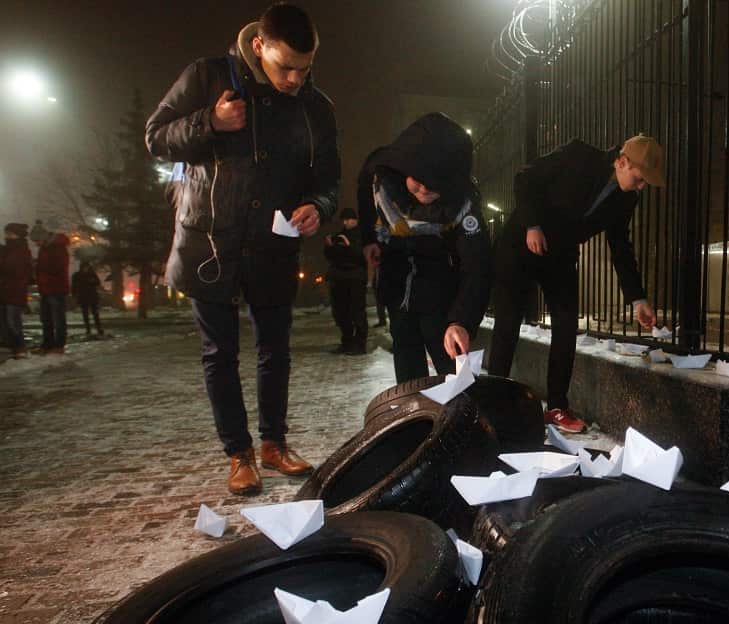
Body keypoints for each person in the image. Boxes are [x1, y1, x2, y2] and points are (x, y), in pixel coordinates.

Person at [146, 2, 340, 495]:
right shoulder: (208, 77)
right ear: (259, 46)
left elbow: (328, 178)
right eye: (285, 67)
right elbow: (155, 137)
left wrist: (318, 205)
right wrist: (209, 122)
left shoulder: (317, 108)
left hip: (273, 244)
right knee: (220, 352)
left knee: (276, 349)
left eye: (305, 68)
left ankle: (274, 444)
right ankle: (239, 453)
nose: (296, 78)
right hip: (209, 241)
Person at [487, 136, 664, 433]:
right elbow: (524, 178)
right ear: (622, 162)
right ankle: (492, 401)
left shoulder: (626, 197)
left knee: (567, 325)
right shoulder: (578, 155)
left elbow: (620, 246)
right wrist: (532, 224)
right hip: (522, 244)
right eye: (639, 178)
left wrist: (638, 299)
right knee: (508, 321)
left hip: (561, 256)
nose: (641, 187)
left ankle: (557, 406)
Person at [357, 112, 492, 383]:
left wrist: (461, 322)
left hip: (440, 294)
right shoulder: (382, 182)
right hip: (396, 286)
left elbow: (478, 266)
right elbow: (363, 193)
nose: (423, 191)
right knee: (408, 373)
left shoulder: (464, 209)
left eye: (434, 187)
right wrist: (368, 239)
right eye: (417, 181)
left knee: (456, 378)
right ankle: (413, 421)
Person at [323, 208, 367, 354]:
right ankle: (347, 342)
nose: (346, 222)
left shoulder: (362, 236)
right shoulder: (339, 236)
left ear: (356, 220)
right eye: (344, 219)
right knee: (341, 312)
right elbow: (330, 256)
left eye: (349, 219)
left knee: (357, 311)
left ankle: (360, 344)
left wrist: (349, 246)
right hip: (338, 278)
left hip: (355, 278)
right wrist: (329, 246)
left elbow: (360, 256)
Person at [0, 223, 32, 359]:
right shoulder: (9, 249)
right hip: (6, 290)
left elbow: (11, 267)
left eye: (9, 233)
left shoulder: (20, 249)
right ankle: (10, 345)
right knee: (5, 320)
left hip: (14, 290)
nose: (7, 236)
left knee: (12, 321)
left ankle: (19, 346)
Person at [36, 230, 71, 354]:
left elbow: (57, 267)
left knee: (58, 318)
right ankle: (48, 344)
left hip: (56, 288)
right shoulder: (45, 249)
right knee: (46, 319)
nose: (36, 244)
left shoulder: (58, 249)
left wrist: (39, 268)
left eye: (37, 241)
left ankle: (58, 344)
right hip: (46, 288)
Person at [71, 260, 105, 338]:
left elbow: (97, 282)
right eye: (84, 267)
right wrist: (74, 294)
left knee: (95, 313)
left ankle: (99, 328)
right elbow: (74, 286)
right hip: (83, 296)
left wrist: (92, 282)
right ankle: (88, 329)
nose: (85, 268)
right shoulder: (77, 275)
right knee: (85, 314)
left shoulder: (91, 274)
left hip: (91, 296)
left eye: (87, 267)